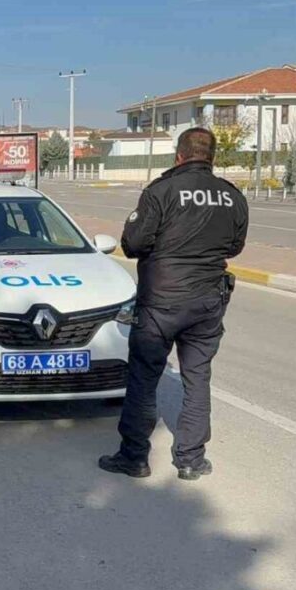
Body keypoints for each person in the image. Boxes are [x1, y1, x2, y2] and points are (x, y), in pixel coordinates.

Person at [99, 127, 248, 481]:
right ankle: (191, 460)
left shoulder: (161, 191)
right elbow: (234, 247)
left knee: (143, 378)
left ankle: (134, 457)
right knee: (197, 379)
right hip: (208, 302)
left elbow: (133, 244)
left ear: (179, 155)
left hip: (161, 303)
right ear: (212, 157)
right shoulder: (231, 195)